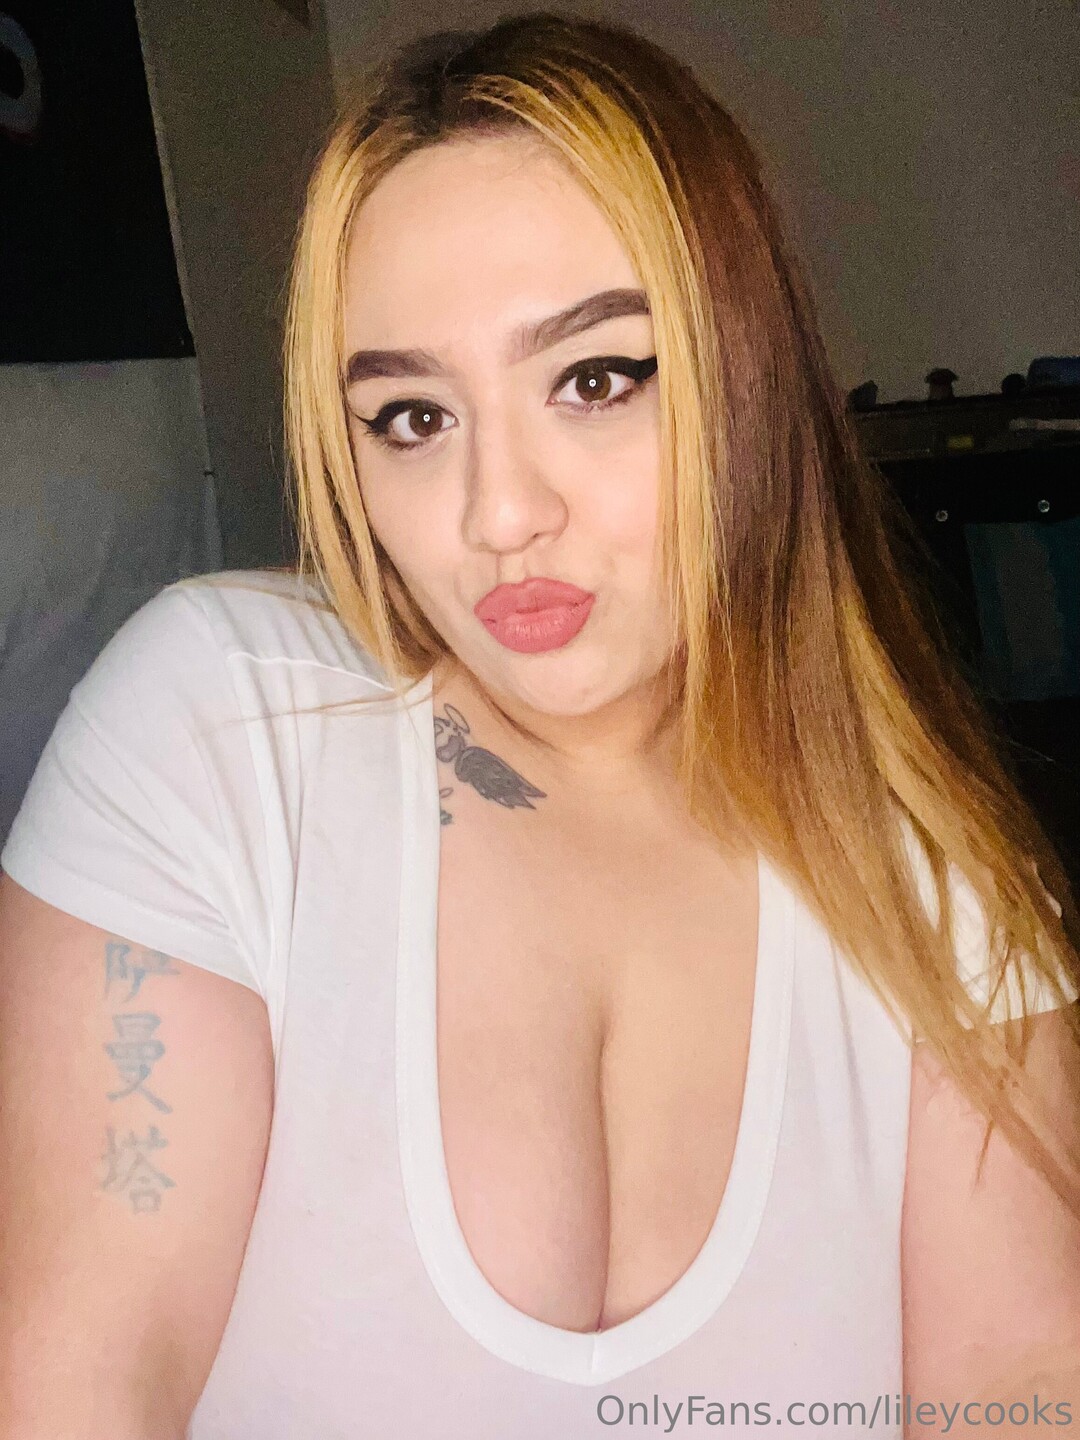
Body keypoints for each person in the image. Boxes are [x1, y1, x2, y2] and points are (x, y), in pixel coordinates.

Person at [2, 12, 1080, 1437]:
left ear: (748, 375)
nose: (501, 513)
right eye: (412, 417)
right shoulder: (226, 733)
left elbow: (1014, 1395)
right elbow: (86, 1375)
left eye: (596, 379)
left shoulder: (938, 892)